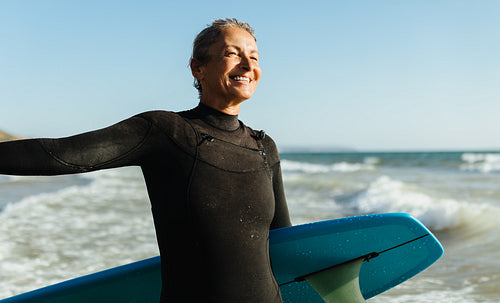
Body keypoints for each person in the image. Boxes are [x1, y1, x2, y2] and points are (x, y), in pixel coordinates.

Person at [0, 18, 291, 302]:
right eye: (232, 53)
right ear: (197, 68)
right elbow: (61, 155)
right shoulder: (166, 132)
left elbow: (286, 247)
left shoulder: (264, 146)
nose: (248, 66)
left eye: (254, 57)